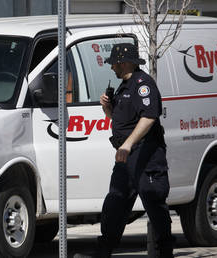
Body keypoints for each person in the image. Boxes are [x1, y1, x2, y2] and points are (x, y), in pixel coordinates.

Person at [74, 43, 174, 258]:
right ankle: (103, 252)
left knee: (154, 202)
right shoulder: (124, 86)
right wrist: (107, 109)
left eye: (114, 64)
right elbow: (123, 120)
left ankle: (165, 252)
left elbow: (149, 117)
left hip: (146, 154)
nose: (112, 68)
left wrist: (128, 144)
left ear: (125, 62)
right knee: (115, 203)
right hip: (126, 156)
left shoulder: (142, 84)